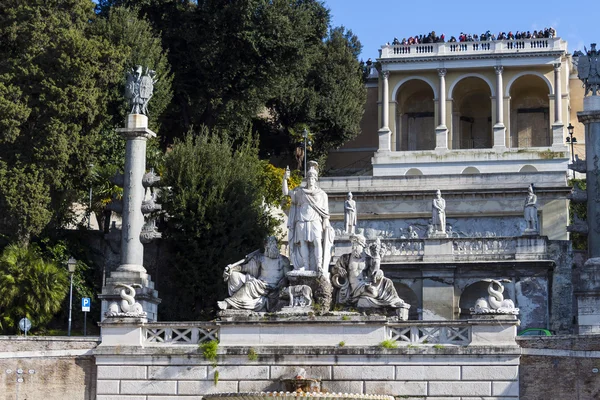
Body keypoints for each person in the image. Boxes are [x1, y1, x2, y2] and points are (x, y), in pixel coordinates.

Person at [283, 161, 334, 276]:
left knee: (317, 242)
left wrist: (326, 222)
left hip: (315, 220)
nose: (311, 180)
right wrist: (285, 179)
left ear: (315, 180)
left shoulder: (322, 194)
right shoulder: (300, 192)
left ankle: (319, 266)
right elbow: (286, 192)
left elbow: (325, 213)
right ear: (307, 179)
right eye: (309, 178)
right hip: (301, 220)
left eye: (313, 178)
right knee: (303, 243)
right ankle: (306, 266)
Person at [331, 235, 406, 309]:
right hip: (351, 287)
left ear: (362, 245)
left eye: (355, 243)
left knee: (387, 282)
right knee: (373, 292)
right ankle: (359, 300)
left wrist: (377, 259)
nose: (353, 246)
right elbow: (334, 269)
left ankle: (394, 301)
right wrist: (338, 270)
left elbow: (372, 273)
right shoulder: (346, 257)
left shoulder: (367, 258)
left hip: (363, 285)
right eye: (352, 243)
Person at [217, 236, 291, 312]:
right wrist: (232, 268)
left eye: (273, 243)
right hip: (260, 284)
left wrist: (282, 284)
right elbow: (245, 268)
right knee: (239, 277)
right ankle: (231, 303)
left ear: (276, 245)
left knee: (250, 285)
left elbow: (288, 277)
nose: (271, 246)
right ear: (265, 246)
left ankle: (229, 303)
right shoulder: (260, 258)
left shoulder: (283, 260)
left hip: (274, 288)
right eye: (269, 244)